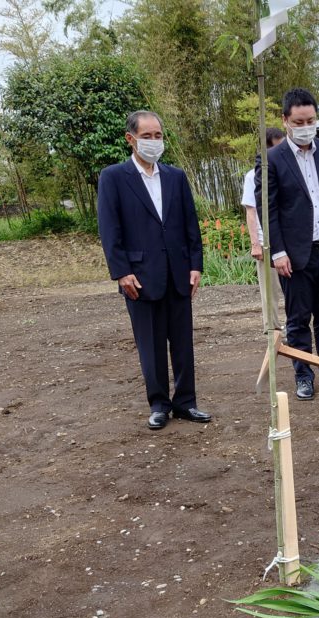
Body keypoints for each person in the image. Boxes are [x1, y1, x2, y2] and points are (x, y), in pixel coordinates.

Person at [97, 110, 212, 431]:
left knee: (183, 342)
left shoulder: (175, 177)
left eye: (158, 136)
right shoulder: (114, 177)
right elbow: (110, 228)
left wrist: (195, 265)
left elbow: (191, 224)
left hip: (178, 272)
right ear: (130, 139)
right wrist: (121, 272)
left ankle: (186, 402)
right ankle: (159, 403)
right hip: (139, 276)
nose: (153, 142)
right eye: (147, 136)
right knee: (150, 344)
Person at [256, 87, 319, 401]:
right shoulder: (272, 159)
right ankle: (304, 374)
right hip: (294, 254)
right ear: (286, 120)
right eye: (298, 122)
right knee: (298, 318)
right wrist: (278, 251)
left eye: (310, 120)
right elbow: (268, 209)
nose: (305, 127)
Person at [243, 127, 286, 319]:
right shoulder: (253, 176)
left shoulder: (288, 171)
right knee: (270, 292)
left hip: (289, 239)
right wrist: (255, 244)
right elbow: (251, 210)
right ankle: (273, 330)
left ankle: (294, 328)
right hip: (266, 242)